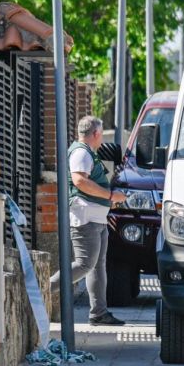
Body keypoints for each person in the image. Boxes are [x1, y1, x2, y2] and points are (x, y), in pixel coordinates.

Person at [50, 115, 128, 326]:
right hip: (86, 218)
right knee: (85, 264)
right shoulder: (81, 153)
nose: (102, 139)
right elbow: (80, 181)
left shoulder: (86, 153)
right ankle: (42, 290)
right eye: (101, 135)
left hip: (96, 218)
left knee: (96, 266)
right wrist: (110, 196)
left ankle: (99, 313)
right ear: (95, 134)